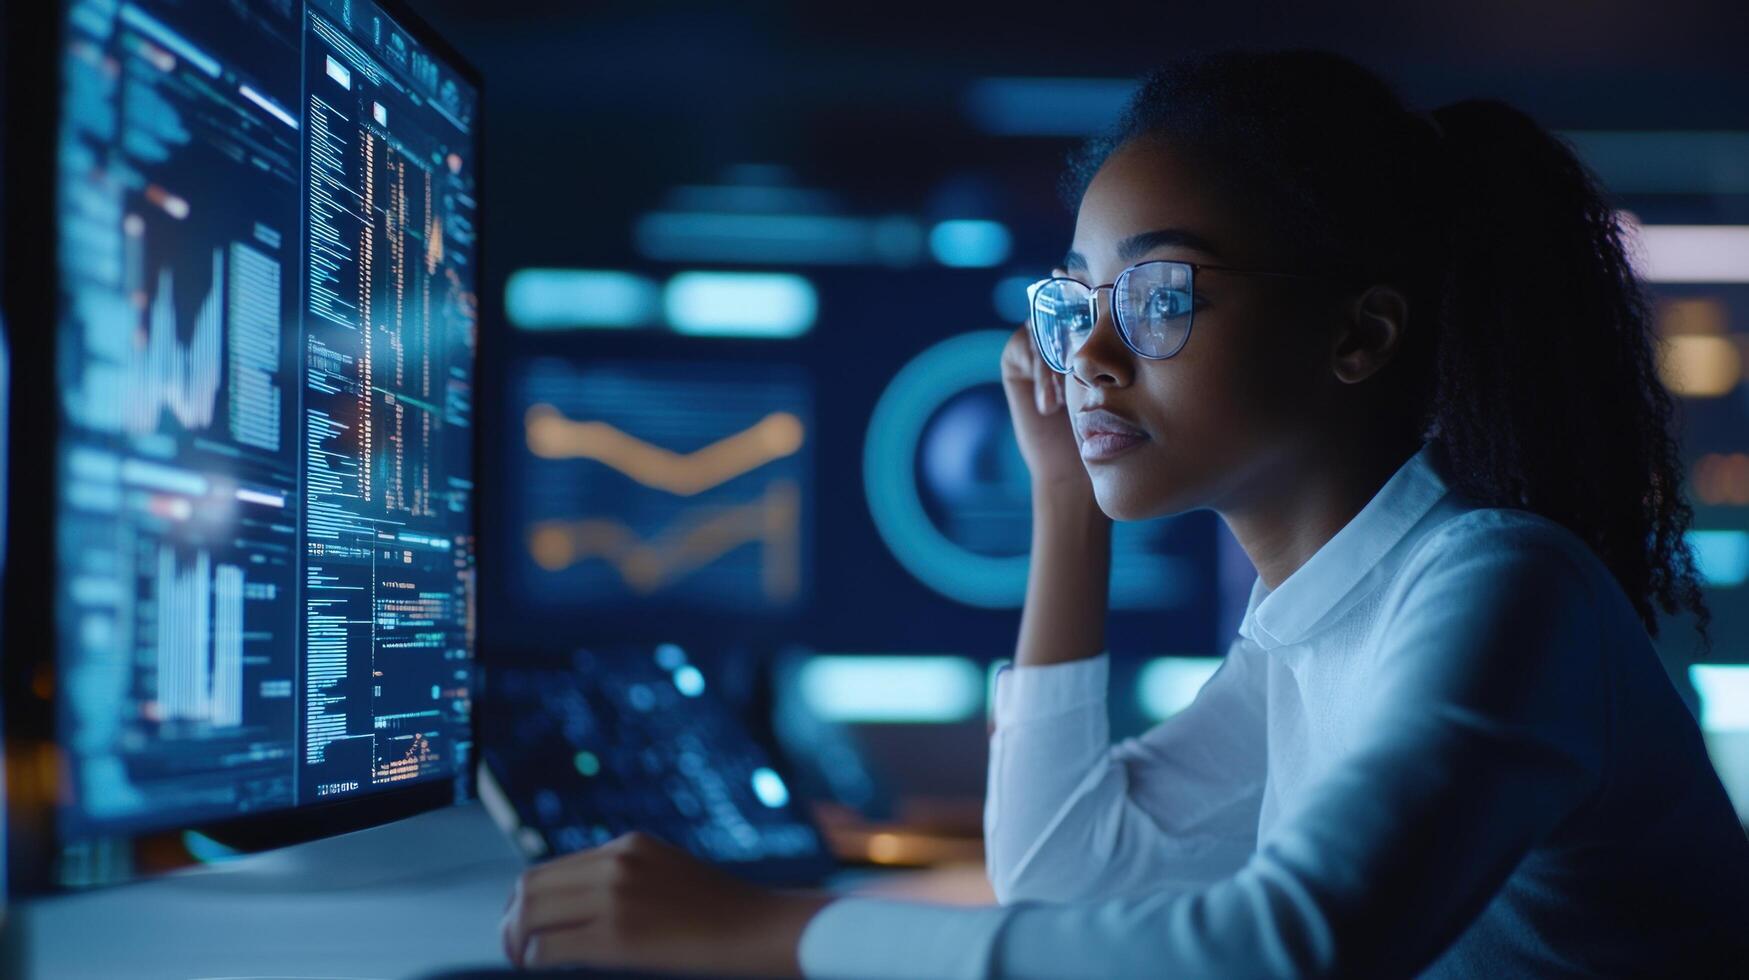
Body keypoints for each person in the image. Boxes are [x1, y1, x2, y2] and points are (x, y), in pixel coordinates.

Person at [497, 50, 1749, 977]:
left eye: (1158, 293)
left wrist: (768, 930)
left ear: (1358, 334)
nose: (1087, 353)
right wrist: (1067, 501)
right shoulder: (1312, 622)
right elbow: (1066, 864)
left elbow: (1290, 949)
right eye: (1075, 298)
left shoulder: (1498, 584)